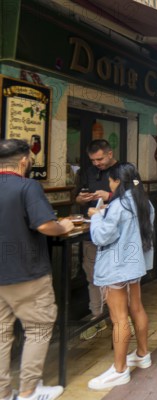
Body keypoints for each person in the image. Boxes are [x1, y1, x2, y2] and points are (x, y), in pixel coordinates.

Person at [0, 139, 75, 400]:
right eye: (30, 159)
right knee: (38, 328)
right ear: (23, 161)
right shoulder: (27, 186)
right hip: (27, 272)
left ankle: (3, 392)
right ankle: (29, 390)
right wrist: (63, 227)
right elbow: (44, 225)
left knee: (1, 334)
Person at [86, 163, 154, 390]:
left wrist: (96, 216)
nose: (109, 185)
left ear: (117, 182)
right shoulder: (144, 202)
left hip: (117, 267)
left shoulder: (119, 205)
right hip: (134, 265)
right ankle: (142, 354)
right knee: (137, 307)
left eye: (111, 182)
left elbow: (102, 237)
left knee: (119, 318)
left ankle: (119, 370)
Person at [75, 139, 120, 340]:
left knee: (116, 278)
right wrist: (80, 199)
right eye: (93, 160)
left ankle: (119, 318)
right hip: (91, 232)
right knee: (92, 275)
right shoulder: (87, 171)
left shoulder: (125, 170)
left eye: (100, 159)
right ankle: (97, 317)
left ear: (110, 154)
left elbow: (135, 197)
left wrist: (109, 195)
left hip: (116, 234)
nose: (97, 163)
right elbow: (76, 195)